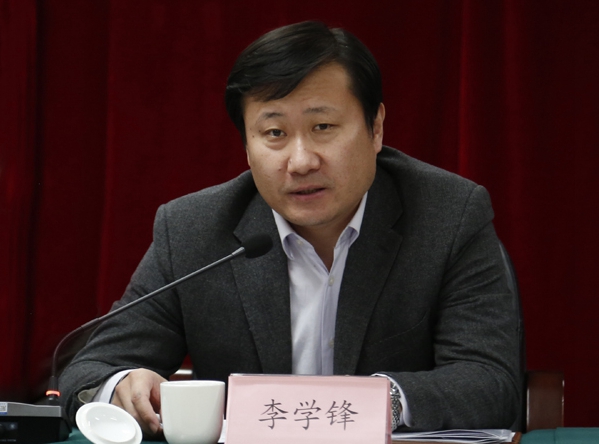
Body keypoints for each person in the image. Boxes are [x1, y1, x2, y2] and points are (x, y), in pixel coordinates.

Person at [59, 21, 520, 438]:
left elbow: (490, 382)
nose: (301, 162)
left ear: (376, 128)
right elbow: (90, 370)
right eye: (274, 134)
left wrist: (380, 404)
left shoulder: (448, 215)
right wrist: (122, 384)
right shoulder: (194, 230)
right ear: (247, 145)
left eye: (323, 126)